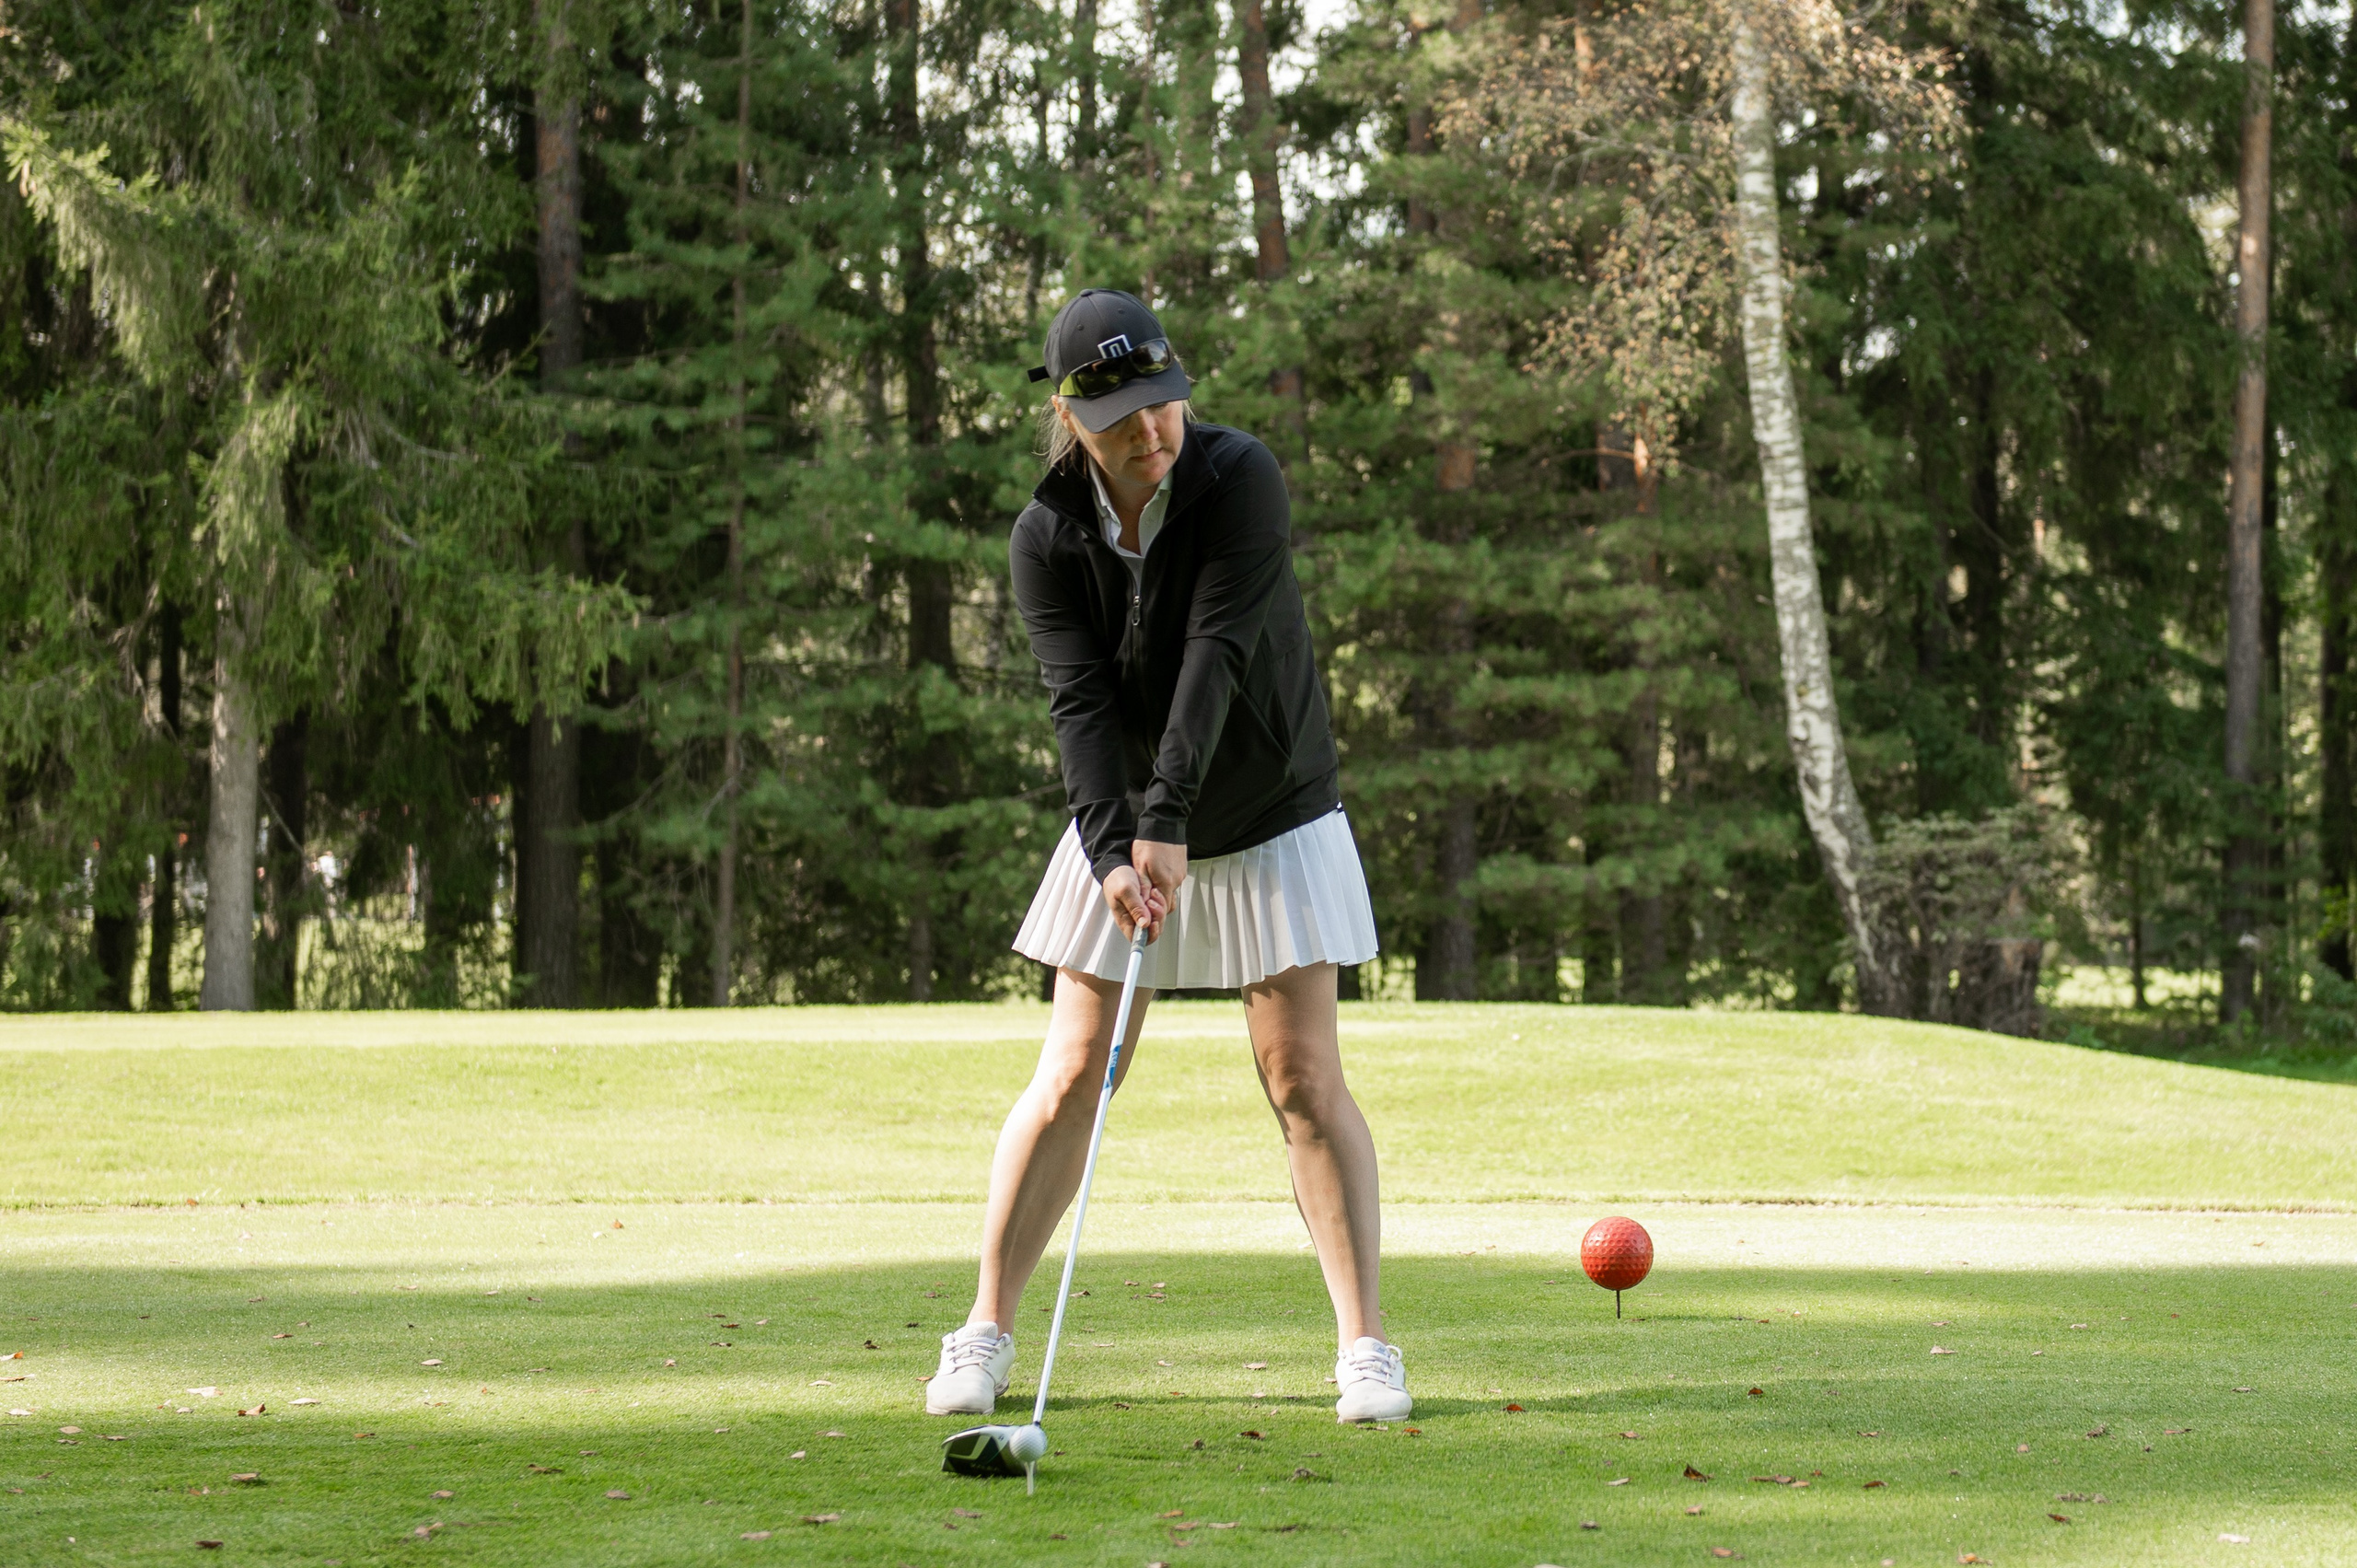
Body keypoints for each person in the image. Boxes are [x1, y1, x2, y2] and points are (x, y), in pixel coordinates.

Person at [923, 288, 1411, 1426]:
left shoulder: (1240, 477)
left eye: (1163, 401)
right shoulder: (1046, 536)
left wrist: (1169, 814)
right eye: (1121, 418)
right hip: (1135, 821)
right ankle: (984, 1327)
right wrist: (1111, 850)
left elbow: (1215, 651)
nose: (1152, 431)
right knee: (1074, 1072)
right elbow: (1079, 705)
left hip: (1268, 805)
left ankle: (1365, 1346)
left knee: (1302, 1077)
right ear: (1070, 418)